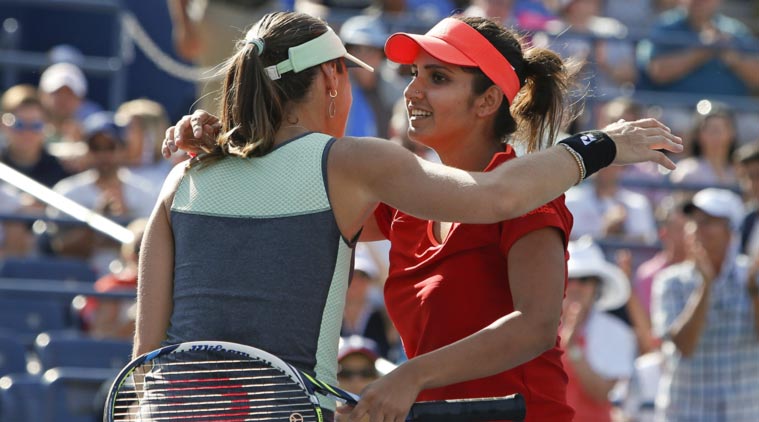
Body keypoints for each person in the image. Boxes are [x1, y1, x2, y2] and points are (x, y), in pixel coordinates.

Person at [162, 13, 681, 421]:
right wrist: (229, 140)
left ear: (488, 102)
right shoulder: (396, 197)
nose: (412, 91)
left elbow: (537, 326)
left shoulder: (532, 195)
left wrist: (409, 377)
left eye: (437, 77)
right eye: (413, 75)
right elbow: (287, 203)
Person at [651, 188, 759, 421]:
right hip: (687, 413)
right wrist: (705, 288)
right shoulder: (670, 281)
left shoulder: (752, 276)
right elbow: (684, 346)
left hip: (743, 413)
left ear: (731, 232)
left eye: (708, 222)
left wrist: (754, 291)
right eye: (694, 222)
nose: (697, 229)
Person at [561, 237, 636, 422]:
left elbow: (601, 393)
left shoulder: (617, 331)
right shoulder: (536, 327)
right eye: (569, 279)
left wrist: (572, 346)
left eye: (585, 279)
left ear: (597, 287)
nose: (576, 286)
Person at [635, 0, 759, 97]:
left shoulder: (735, 29)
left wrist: (733, 58)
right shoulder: (665, 26)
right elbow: (656, 73)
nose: (700, 2)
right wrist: (702, 51)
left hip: (732, 113)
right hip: (676, 111)